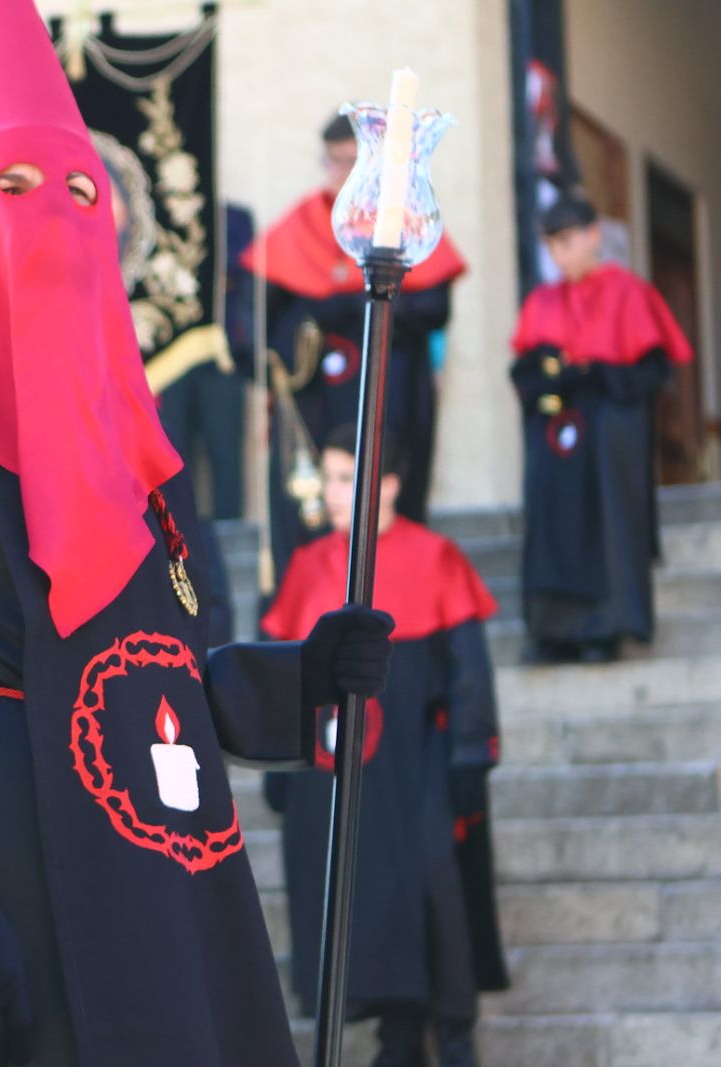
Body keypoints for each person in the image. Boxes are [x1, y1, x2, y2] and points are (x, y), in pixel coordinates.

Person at [0, 1, 395, 1063]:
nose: (52, 216)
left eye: (79, 191)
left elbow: (161, 673)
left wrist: (296, 681)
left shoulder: (135, 432)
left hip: (167, 879)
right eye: (12, 186)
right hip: (9, 878)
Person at [262, 425, 508, 1067]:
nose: (333, 492)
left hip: (416, 762)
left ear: (389, 485)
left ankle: (452, 1030)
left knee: (433, 889)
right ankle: (395, 1030)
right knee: (359, 895)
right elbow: (285, 674)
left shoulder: (435, 557)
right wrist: (280, 762)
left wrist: (470, 754)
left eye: (348, 478)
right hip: (339, 772)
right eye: (330, 478)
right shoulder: (308, 566)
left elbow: (468, 673)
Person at [245, 113, 466, 578]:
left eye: (355, 161)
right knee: (312, 512)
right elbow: (261, 321)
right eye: (336, 161)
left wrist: (359, 303)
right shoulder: (301, 225)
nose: (345, 172)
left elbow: (432, 307)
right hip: (318, 404)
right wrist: (321, 315)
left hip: (392, 389)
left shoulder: (405, 219)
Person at [511, 195, 693, 663]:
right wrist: (552, 375)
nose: (559, 256)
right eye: (551, 246)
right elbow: (525, 371)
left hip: (608, 438)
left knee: (605, 525)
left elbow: (653, 371)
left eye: (567, 242)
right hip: (556, 441)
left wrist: (594, 376)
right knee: (552, 526)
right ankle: (552, 630)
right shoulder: (542, 301)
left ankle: (604, 629)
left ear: (593, 236)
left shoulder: (628, 292)